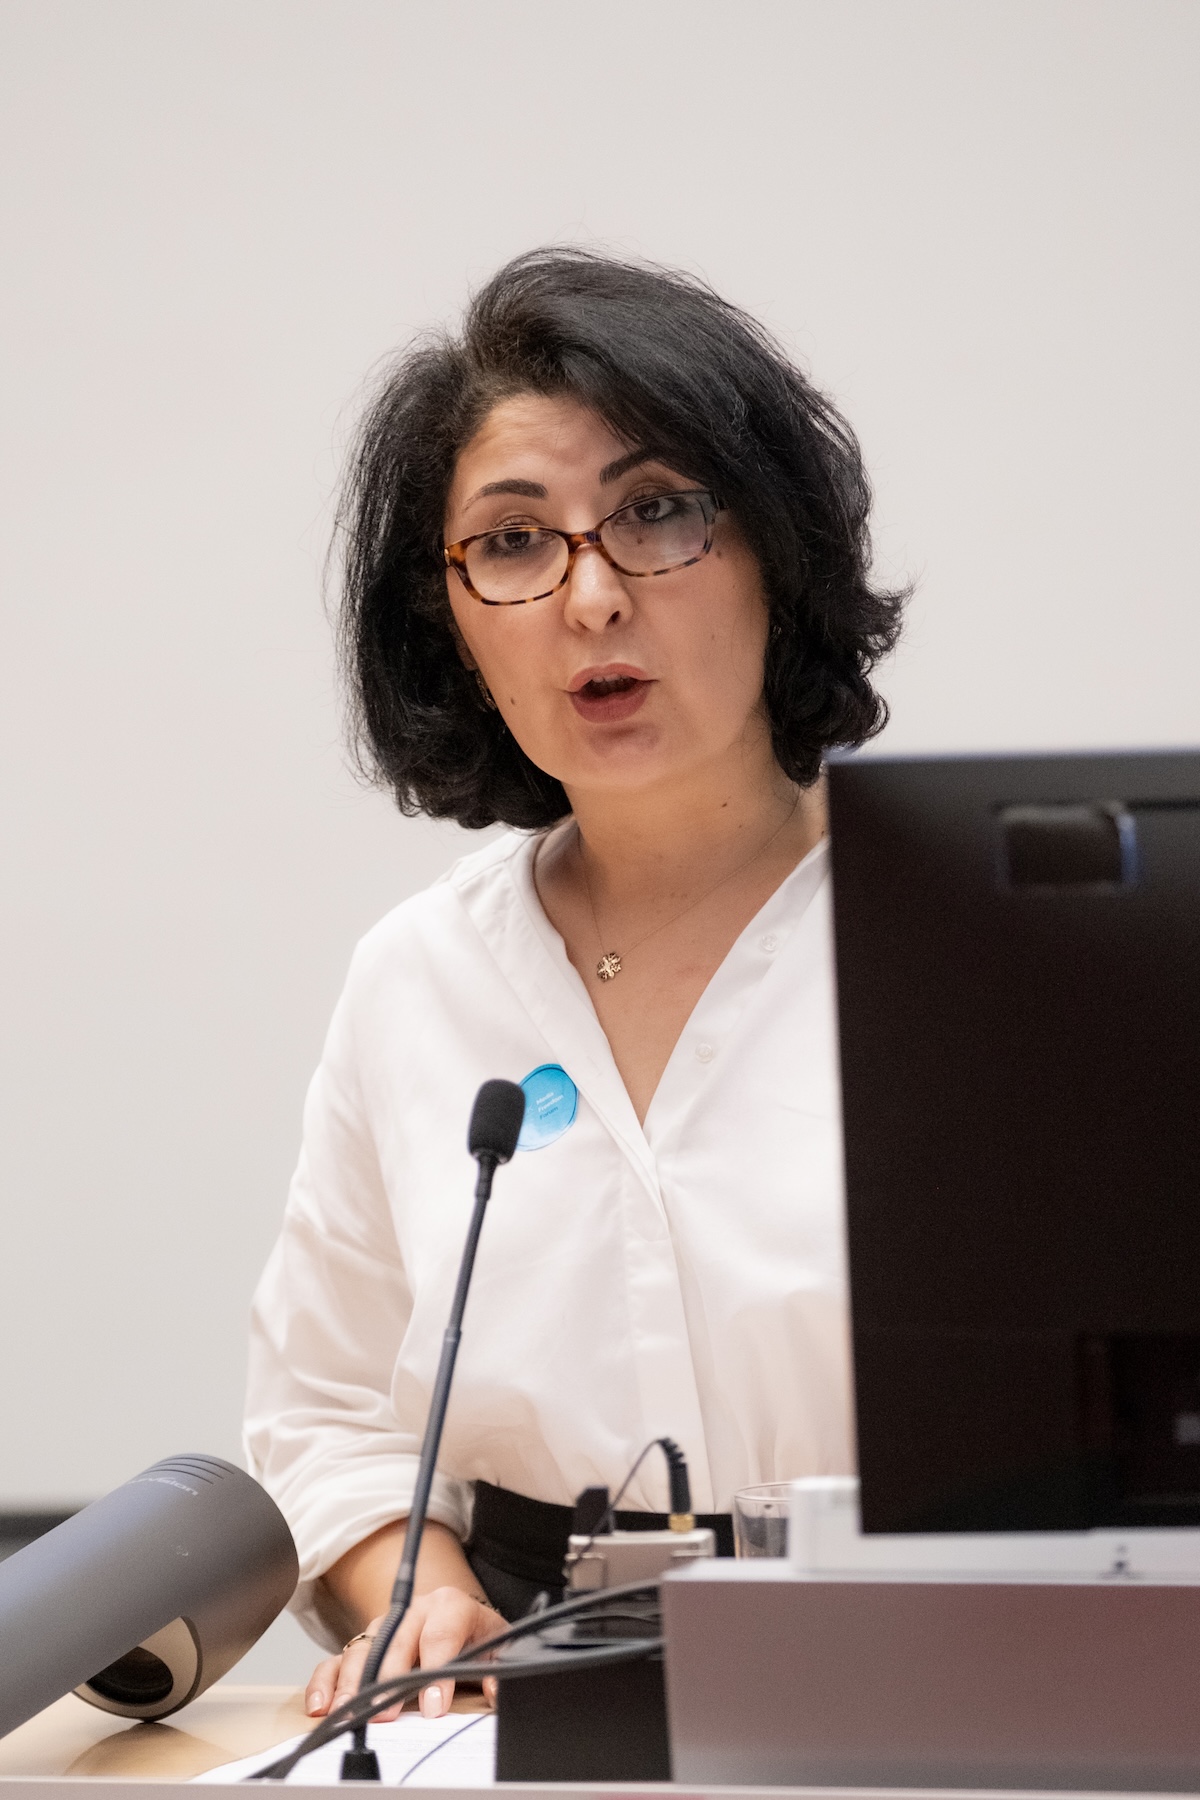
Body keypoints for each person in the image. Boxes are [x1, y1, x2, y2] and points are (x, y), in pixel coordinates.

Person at [243, 247, 905, 1723]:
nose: (590, 597)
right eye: (512, 541)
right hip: (519, 1699)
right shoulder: (418, 980)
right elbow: (328, 1413)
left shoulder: (952, 939)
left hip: (916, 1669)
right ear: (453, 623)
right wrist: (419, 1596)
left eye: (656, 512)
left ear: (777, 554)